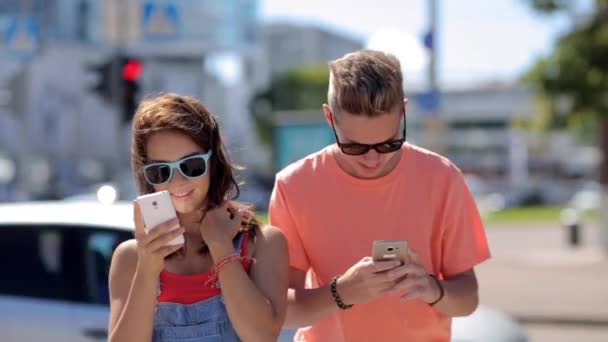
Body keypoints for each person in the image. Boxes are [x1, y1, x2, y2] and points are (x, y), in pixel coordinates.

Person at [269, 50, 491, 341]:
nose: (373, 159)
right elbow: (281, 309)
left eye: (388, 144)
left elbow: (468, 299)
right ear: (329, 118)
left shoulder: (443, 178)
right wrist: (341, 292)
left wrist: (431, 288)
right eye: (355, 146)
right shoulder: (294, 185)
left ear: (404, 113)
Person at [108, 93, 288, 342]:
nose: (177, 181)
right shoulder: (131, 258)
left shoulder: (262, 243)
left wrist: (222, 249)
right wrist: (148, 271)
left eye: (191, 165)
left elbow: (262, 337)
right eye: (160, 171)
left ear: (214, 162)